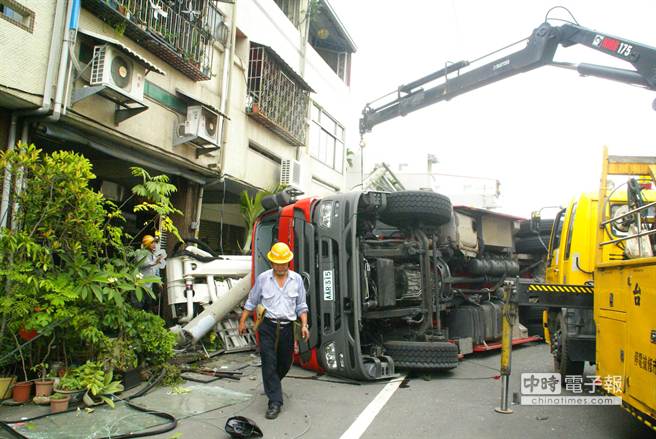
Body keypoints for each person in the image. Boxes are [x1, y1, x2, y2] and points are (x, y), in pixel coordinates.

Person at [238, 242, 309, 420]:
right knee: (269, 362)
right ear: (272, 263)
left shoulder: (297, 280)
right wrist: (242, 320)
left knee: (285, 363)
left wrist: (305, 325)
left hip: (287, 328)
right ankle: (274, 402)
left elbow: (301, 305)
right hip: (267, 326)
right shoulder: (263, 278)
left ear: (288, 262)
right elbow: (252, 301)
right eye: (277, 263)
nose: (280, 266)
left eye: (283, 263)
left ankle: (271, 383)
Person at [135, 234, 166, 313]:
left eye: (155, 243)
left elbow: (156, 272)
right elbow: (141, 264)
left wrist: (159, 283)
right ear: (147, 244)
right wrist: (154, 263)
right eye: (152, 243)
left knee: (147, 308)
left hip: (149, 288)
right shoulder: (140, 252)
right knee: (137, 307)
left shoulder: (154, 257)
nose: (154, 245)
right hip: (140, 286)